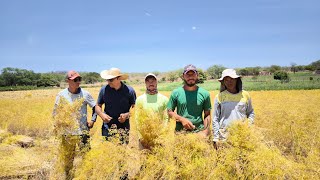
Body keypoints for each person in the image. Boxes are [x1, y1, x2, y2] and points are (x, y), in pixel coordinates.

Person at [53, 70, 96, 179]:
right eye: (75, 80)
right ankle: (69, 177)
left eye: (79, 79)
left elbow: (96, 107)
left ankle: (88, 177)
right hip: (67, 134)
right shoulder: (61, 95)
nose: (78, 82)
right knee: (68, 159)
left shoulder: (85, 94)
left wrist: (92, 120)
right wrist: (59, 124)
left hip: (83, 132)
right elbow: (55, 113)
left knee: (87, 157)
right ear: (68, 81)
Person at [212, 68, 255, 147]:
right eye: (226, 80)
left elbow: (250, 112)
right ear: (223, 82)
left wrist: (249, 126)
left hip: (242, 135)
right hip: (224, 136)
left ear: (237, 80)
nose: (229, 82)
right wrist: (215, 137)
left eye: (232, 79)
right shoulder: (219, 97)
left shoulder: (245, 95)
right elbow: (215, 118)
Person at [167, 64, 212, 137]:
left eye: (193, 74)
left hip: (199, 133)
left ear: (197, 75)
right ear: (183, 76)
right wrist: (181, 119)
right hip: (180, 134)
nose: (190, 77)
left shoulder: (205, 94)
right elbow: (169, 111)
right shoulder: (176, 93)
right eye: (188, 75)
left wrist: (205, 131)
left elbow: (207, 115)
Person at [95, 67, 136, 144]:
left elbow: (135, 108)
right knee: (108, 151)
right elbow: (98, 105)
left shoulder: (130, 91)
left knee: (122, 151)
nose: (108, 82)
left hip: (124, 127)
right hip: (107, 127)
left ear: (119, 78)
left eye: (111, 80)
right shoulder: (104, 90)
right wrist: (101, 114)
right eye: (107, 80)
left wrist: (126, 115)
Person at [135, 73, 169, 148]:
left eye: (153, 80)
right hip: (144, 138)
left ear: (156, 82)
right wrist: (141, 137)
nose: (151, 83)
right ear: (145, 83)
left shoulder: (164, 99)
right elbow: (137, 119)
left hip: (160, 137)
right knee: (144, 158)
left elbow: (166, 118)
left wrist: (161, 136)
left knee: (160, 158)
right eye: (148, 81)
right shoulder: (139, 99)